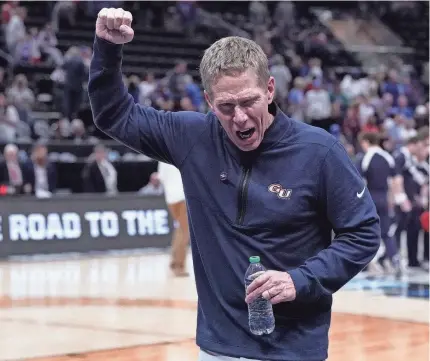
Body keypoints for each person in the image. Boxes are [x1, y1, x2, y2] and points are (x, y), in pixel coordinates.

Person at [88, 8, 380, 361]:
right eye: (226, 106)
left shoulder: (319, 152)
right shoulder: (192, 137)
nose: (239, 117)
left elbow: (363, 233)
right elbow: (114, 114)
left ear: (269, 90)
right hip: (217, 350)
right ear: (209, 101)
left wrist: (300, 280)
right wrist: (107, 48)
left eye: (248, 101)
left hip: (293, 350)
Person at [358, 132, 401, 277]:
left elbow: (359, 183)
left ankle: (363, 264)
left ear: (366, 141)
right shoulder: (388, 157)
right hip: (384, 198)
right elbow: (396, 180)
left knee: (365, 231)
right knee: (387, 232)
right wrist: (395, 199)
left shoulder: (365, 158)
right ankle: (395, 260)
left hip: (370, 198)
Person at [157, 161, 190, 277]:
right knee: (185, 232)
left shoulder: (161, 157)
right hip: (182, 196)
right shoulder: (179, 152)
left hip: (170, 198)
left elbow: (160, 177)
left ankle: (173, 260)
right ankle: (179, 266)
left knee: (180, 229)